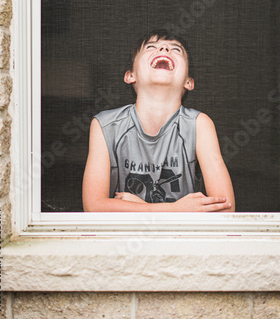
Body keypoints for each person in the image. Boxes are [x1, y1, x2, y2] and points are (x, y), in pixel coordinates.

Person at [82, 29, 235, 212]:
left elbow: (226, 210)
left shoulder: (199, 125)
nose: (164, 48)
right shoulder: (106, 125)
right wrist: (174, 210)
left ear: (189, 82)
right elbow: (93, 207)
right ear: (130, 75)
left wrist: (139, 207)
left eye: (176, 49)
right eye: (151, 47)